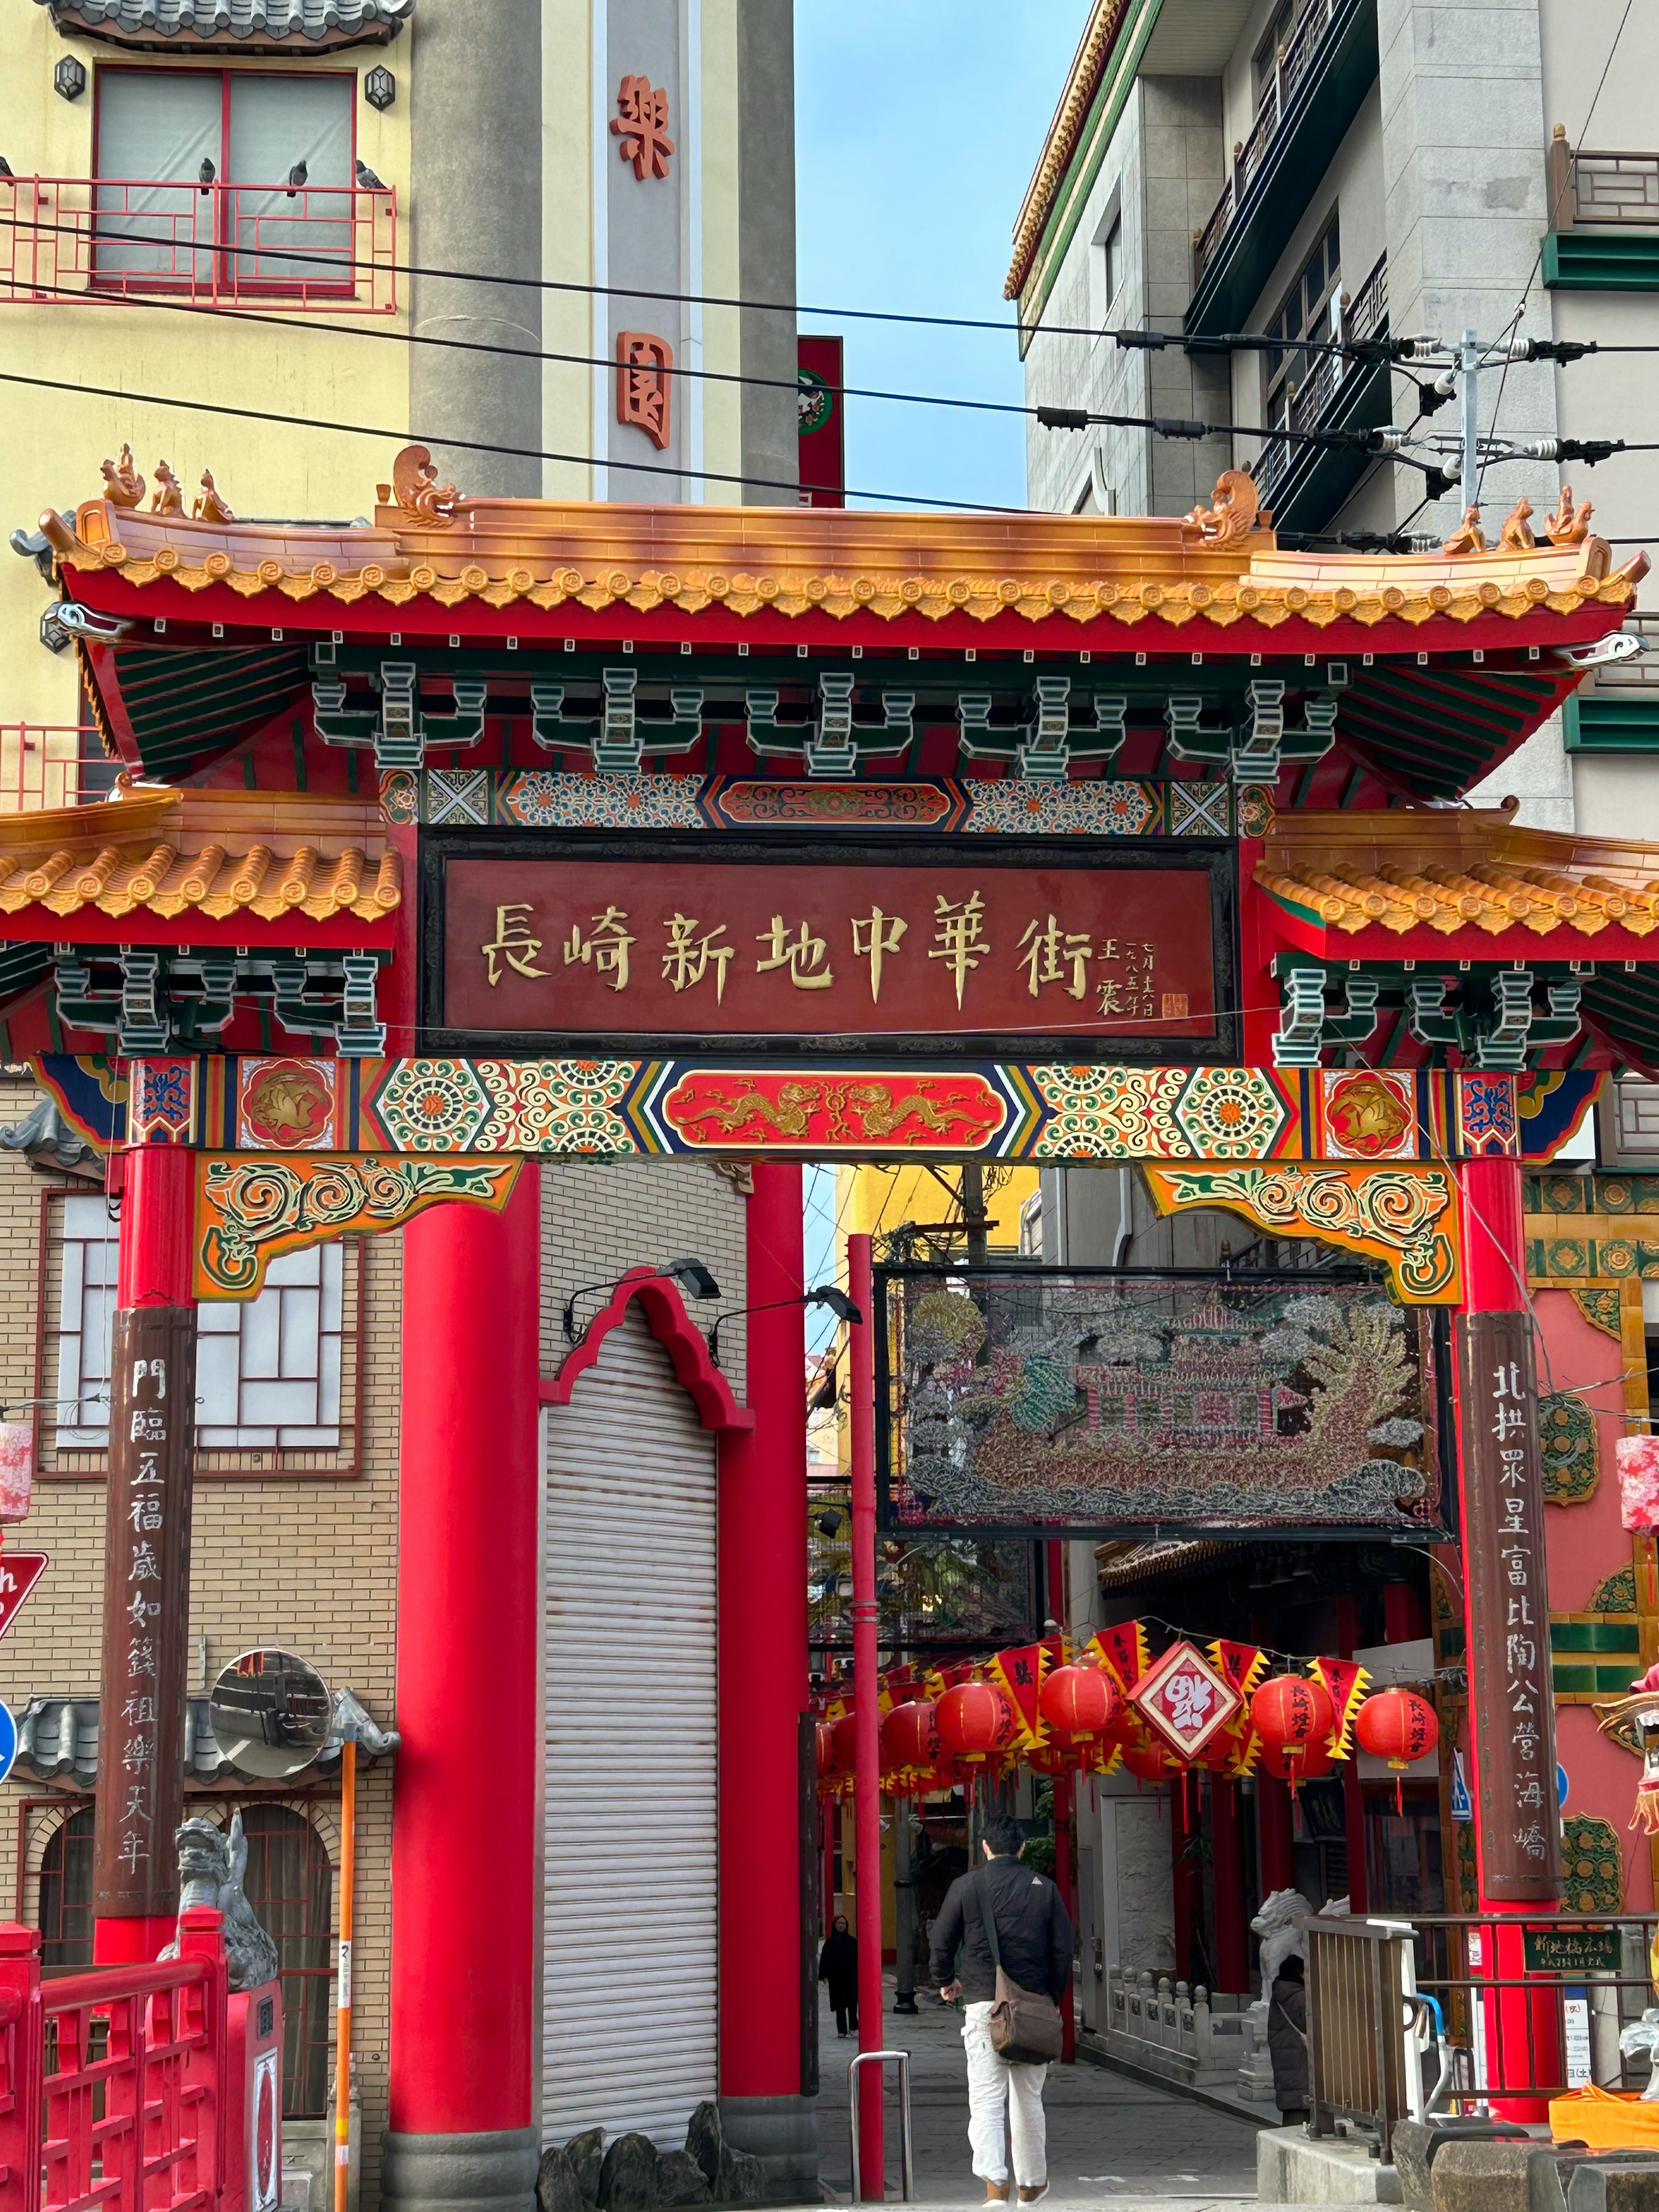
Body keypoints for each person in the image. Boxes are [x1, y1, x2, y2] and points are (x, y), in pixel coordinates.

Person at [929, 1813, 1072, 2207]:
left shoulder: (967, 1886)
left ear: (986, 1848)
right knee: (1028, 2101)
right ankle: (1032, 2185)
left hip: (981, 2005)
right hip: (1031, 2008)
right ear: (1023, 1848)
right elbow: (1062, 1950)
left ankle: (995, 2187)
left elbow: (941, 1941)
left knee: (987, 2101)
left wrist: (945, 1981)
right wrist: (1050, 1997)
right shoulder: (1045, 1889)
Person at [1268, 1952, 1309, 2124]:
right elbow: (1309, 2023)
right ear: (1300, 1973)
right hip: (1299, 2057)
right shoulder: (1299, 1997)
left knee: (1292, 2101)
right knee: (1301, 2104)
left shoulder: (1280, 1993)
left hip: (1286, 2056)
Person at [818, 1913, 858, 2037]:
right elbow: (824, 1960)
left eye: (844, 1924)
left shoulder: (852, 1942)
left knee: (852, 2004)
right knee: (839, 2005)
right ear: (835, 1925)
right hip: (836, 1979)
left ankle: (853, 2028)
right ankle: (842, 2030)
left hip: (851, 1978)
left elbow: (858, 1959)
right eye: (839, 1924)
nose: (841, 1926)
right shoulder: (830, 1943)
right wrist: (823, 1975)